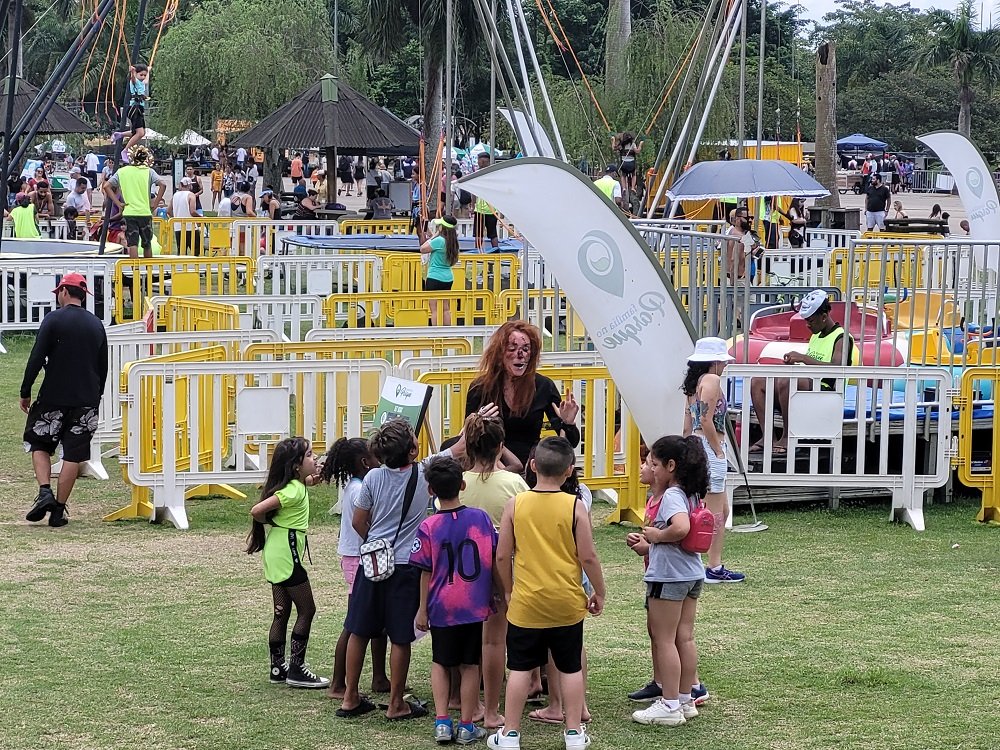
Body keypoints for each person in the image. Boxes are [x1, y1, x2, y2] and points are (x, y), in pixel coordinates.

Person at [337, 418, 469, 721]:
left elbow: (359, 520)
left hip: (372, 563)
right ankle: (396, 703)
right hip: (406, 565)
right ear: (412, 450)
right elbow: (458, 449)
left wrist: (374, 542)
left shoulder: (371, 479)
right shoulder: (424, 473)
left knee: (359, 629)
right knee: (399, 636)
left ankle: (350, 696)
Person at [489, 437, 606, 750]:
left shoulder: (516, 504)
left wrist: (509, 590)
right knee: (570, 667)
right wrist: (599, 591)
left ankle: (510, 734)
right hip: (567, 602)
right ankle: (574, 734)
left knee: (519, 669)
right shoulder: (575, 506)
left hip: (526, 603)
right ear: (569, 471)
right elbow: (589, 557)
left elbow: (502, 555)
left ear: (532, 465)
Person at [413, 456, 497, 745]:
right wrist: (497, 592)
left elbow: (424, 571)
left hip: (442, 607)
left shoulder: (428, 526)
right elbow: (492, 560)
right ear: (462, 485)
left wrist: (422, 609)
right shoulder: (481, 519)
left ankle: (441, 722)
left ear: (430, 490)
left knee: (440, 661)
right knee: (469, 664)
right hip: (473, 605)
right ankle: (466, 724)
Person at [627, 435, 708, 728]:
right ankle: (685, 699)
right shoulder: (690, 492)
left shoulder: (672, 495)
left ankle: (669, 703)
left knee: (664, 640)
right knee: (683, 637)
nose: (652, 468)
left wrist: (655, 535)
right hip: (691, 573)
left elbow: (681, 528)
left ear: (671, 465)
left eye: (655, 464)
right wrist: (653, 546)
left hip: (669, 577)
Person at [21, 273, 108, 528]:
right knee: (73, 453)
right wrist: (96, 396)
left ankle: (45, 491)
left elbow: (37, 357)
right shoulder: (96, 324)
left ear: (63, 292)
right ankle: (58, 511)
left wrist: (25, 390)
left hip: (53, 395)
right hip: (86, 398)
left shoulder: (54, 319)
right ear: (83, 296)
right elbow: (102, 367)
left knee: (38, 442)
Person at [459, 412, 528, 729]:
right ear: (501, 446)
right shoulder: (513, 483)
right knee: (493, 641)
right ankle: (490, 711)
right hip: (500, 567)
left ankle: (465, 704)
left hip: (461, 568)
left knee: (465, 640)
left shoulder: (458, 482)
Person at [246, 437, 330, 689]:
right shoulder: (292, 491)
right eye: (309, 455)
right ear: (295, 465)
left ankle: (277, 667)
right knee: (307, 610)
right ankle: (296, 669)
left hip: (276, 550)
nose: (314, 458)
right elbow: (256, 510)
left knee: (281, 611)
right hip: (287, 552)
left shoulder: (297, 484)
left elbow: (305, 484)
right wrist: (268, 521)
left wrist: (315, 478)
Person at [320, 437, 391, 700]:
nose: (380, 461)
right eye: (375, 457)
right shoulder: (360, 490)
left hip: (360, 556)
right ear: (365, 462)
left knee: (378, 622)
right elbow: (364, 524)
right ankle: (338, 684)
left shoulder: (356, 486)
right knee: (354, 623)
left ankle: (379, 677)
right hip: (358, 559)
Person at [749, 290, 859, 455]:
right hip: (808, 387)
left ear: (823, 316)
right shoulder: (816, 335)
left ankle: (788, 436)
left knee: (787, 381)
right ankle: (768, 436)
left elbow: (837, 368)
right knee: (758, 381)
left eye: (811, 321)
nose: (808, 325)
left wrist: (804, 358)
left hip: (827, 393)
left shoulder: (841, 337)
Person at [465, 321, 580, 467]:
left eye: (526, 349)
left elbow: (571, 443)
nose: (520, 355)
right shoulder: (480, 388)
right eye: (512, 348)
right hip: (492, 466)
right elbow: (468, 439)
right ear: (499, 353)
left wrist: (568, 424)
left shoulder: (544, 386)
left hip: (532, 467)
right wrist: (478, 423)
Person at [681, 338, 744, 583]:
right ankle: (714, 567)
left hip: (698, 444)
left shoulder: (693, 384)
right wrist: (718, 451)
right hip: (710, 445)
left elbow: (689, 421)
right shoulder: (712, 380)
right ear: (716, 361)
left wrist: (687, 446)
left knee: (719, 508)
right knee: (715, 512)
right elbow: (706, 420)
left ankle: (707, 562)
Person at [102, 145, 166, 259]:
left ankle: (135, 270)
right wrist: (155, 203)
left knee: (132, 243)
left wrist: (118, 203)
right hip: (145, 212)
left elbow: (106, 186)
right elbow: (163, 184)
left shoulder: (122, 172)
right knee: (147, 243)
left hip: (129, 211)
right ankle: (147, 270)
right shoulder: (149, 171)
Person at [419, 215, 460, 326]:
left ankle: (436, 334)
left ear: (443, 227)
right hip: (448, 277)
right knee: (445, 308)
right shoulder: (453, 242)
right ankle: (447, 333)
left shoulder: (439, 240)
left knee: (435, 309)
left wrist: (434, 236)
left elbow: (422, 248)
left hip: (434, 277)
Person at [111, 64, 150, 162]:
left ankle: (119, 135)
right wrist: (132, 71)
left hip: (139, 109)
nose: (143, 77)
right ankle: (125, 150)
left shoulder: (142, 83)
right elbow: (133, 78)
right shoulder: (135, 81)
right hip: (134, 108)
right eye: (141, 75)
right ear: (136, 74)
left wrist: (148, 71)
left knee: (138, 132)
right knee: (140, 133)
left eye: (144, 75)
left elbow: (146, 80)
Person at [473, 152, 500, 251]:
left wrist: (473, 205)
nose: (479, 163)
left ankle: (479, 252)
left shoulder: (478, 174)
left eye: (480, 161)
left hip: (484, 209)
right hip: (489, 209)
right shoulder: (492, 173)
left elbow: (473, 191)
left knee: (479, 234)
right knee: (492, 233)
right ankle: (495, 251)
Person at [169, 177, 200, 255]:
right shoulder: (191, 195)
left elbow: (168, 211)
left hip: (178, 227)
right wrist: (201, 218)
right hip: (190, 227)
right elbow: (192, 211)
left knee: (181, 251)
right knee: (196, 250)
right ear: (189, 185)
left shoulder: (175, 195)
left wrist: (176, 217)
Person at [613, 131, 643, 197]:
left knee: (623, 175)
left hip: (624, 164)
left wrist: (613, 140)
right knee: (634, 174)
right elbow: (637, 151)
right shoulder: (632, 144)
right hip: (631, 164)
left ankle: (624, 188)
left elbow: (614, 148)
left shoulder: (621, 145)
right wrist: (640, 144)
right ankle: (632, 187)